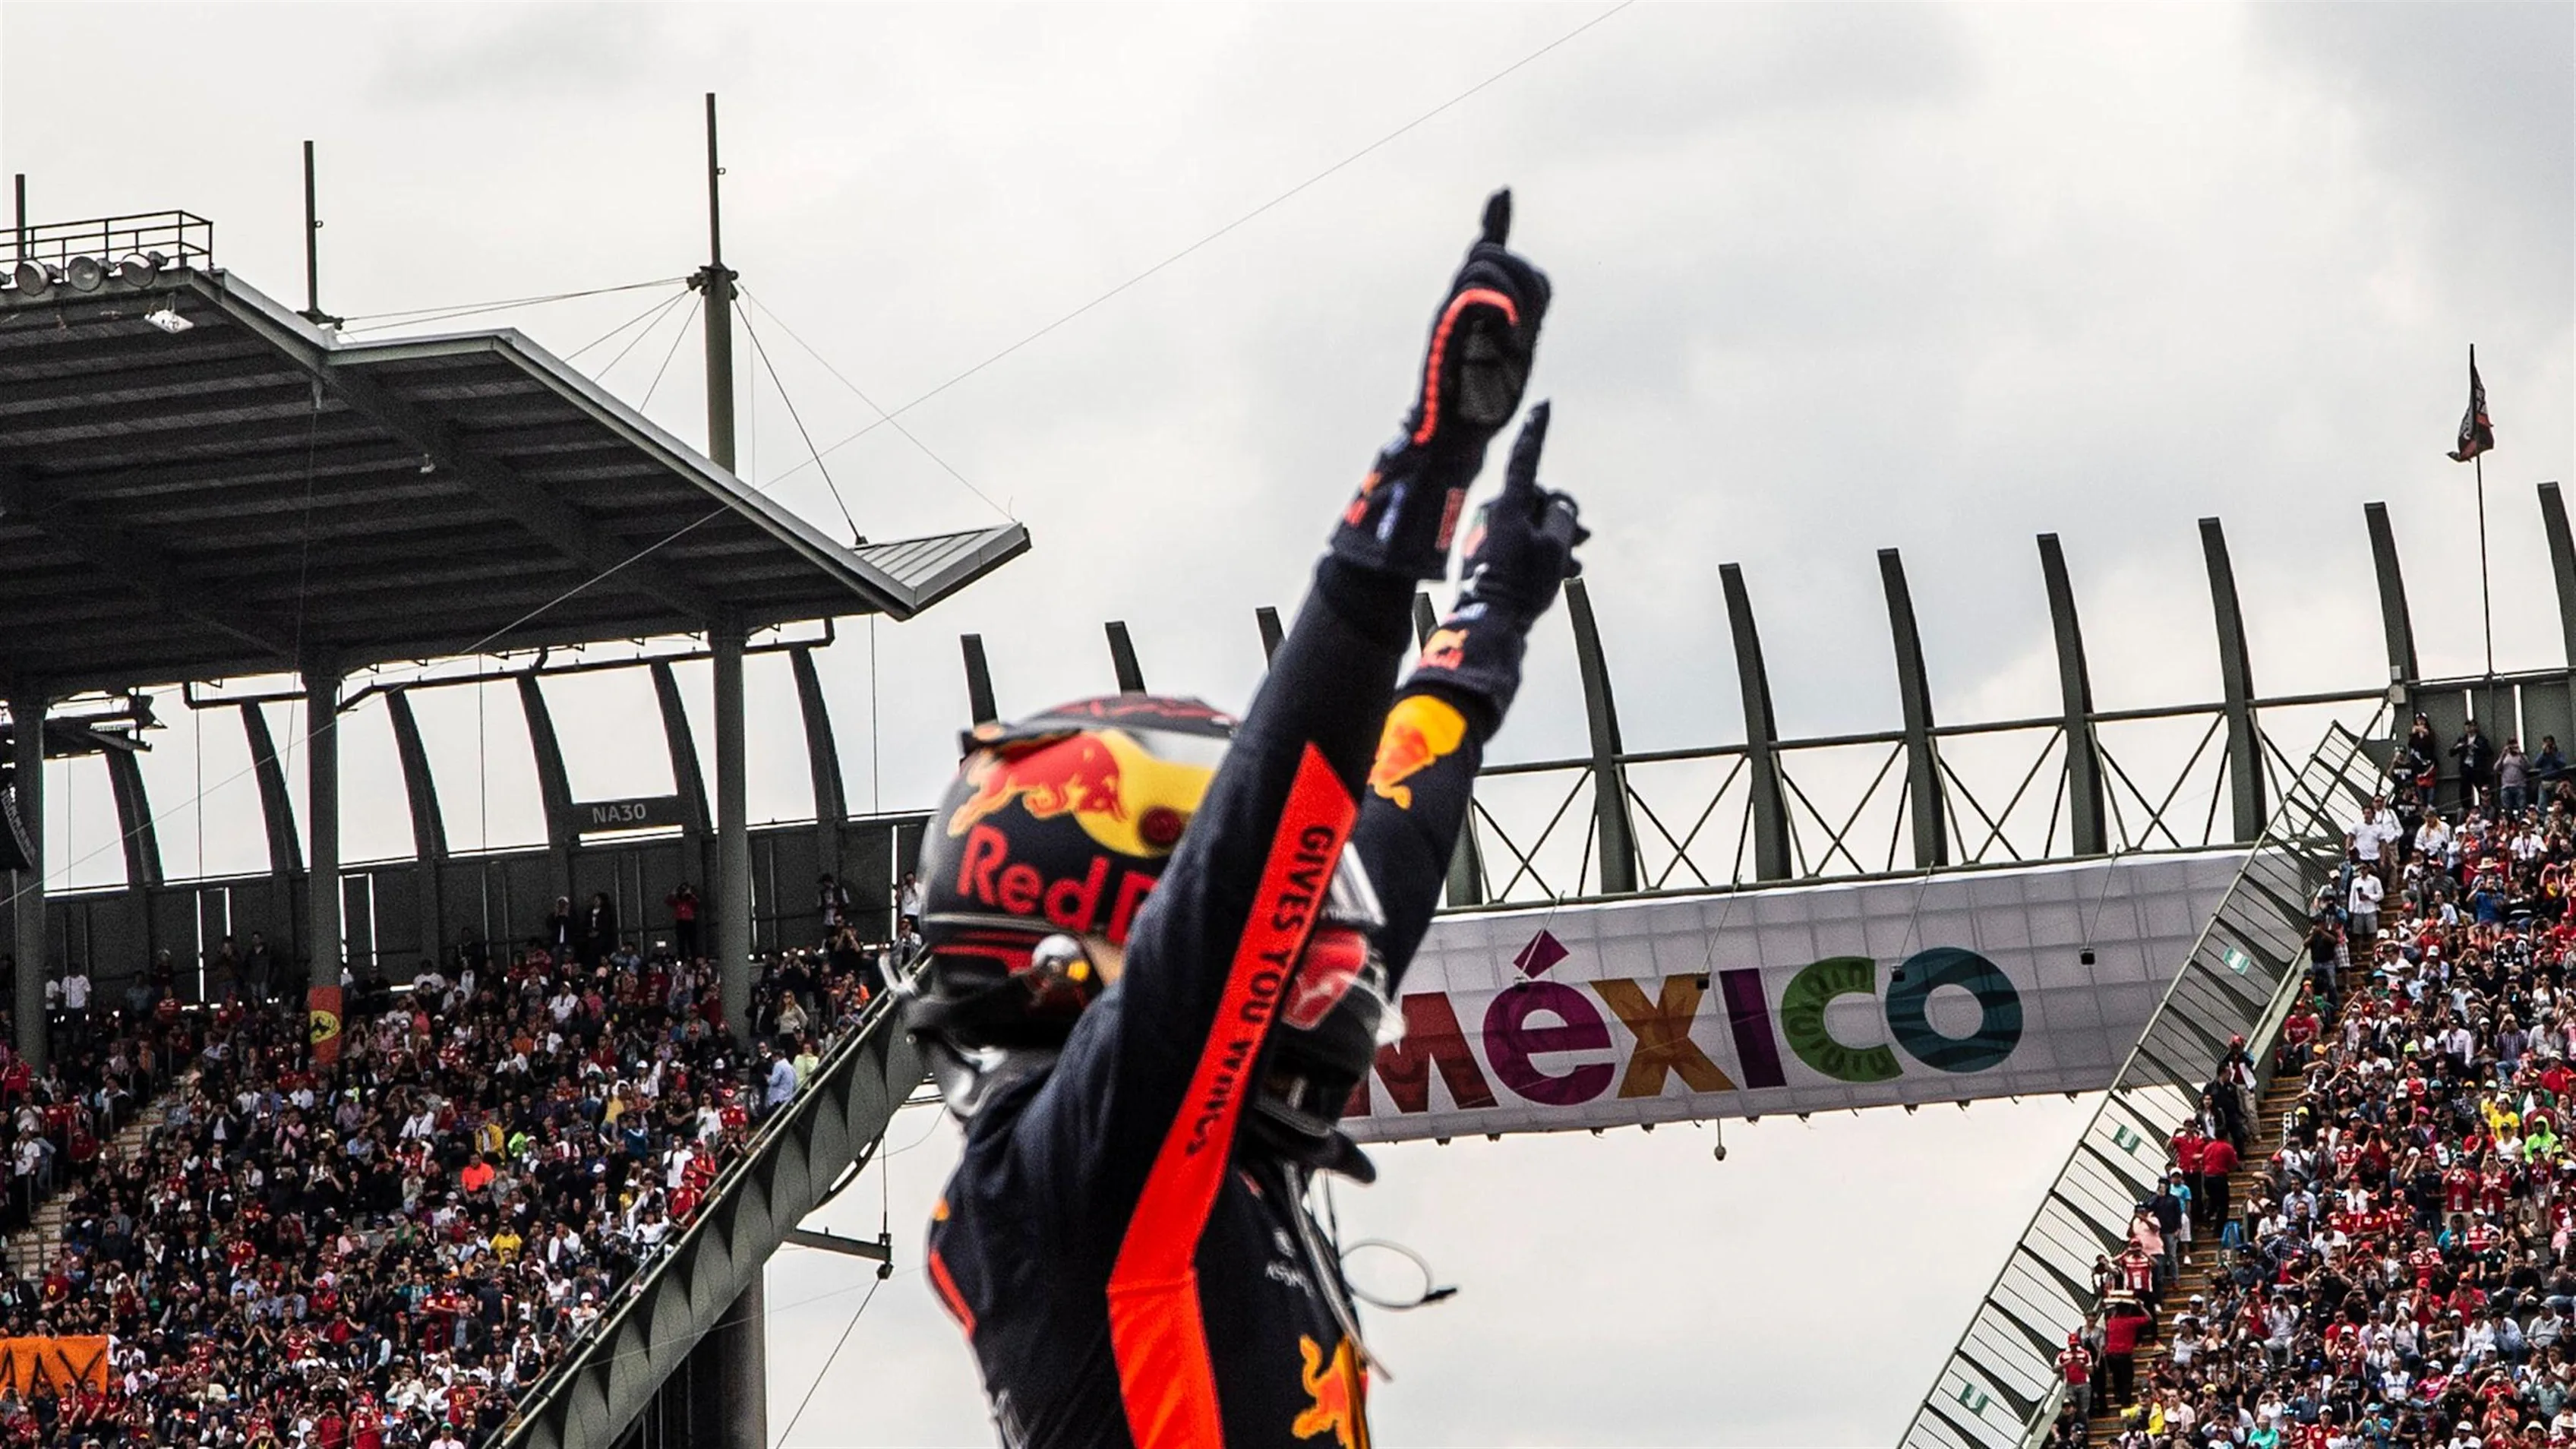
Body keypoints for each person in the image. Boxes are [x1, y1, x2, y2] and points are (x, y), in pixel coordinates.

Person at [906, 192, 1571, 1448]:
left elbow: (1364, 850)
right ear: (1096, 927)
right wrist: (1414, 492)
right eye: (1293, 913)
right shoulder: (1067, 1178)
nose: (1332, 944)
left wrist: (1479, 640)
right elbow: (1261, 861)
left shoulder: (1182, 1162)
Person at [666, 883, 701, 961]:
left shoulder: (690, 900)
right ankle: (682, 957)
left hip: (690, 921)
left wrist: (691, 894)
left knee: (692, 941)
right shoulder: (678, 901)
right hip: (681, 921)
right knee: (681, 942)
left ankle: (694, 958)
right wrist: (673, 893)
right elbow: (668, 902)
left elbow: (697, 902)